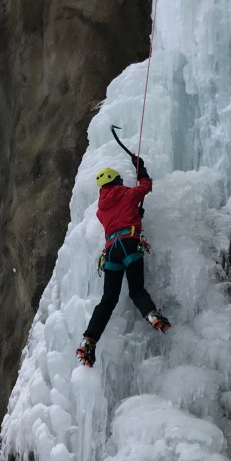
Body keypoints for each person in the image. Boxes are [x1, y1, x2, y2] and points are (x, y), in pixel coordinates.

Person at [76, 155, 171, 367]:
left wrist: (135, 213)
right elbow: (146, 186)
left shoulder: (100, 210)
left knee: (108, 300)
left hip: (111, 252)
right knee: (137, 291)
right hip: (129, 244)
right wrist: (140, 168)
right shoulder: (128, 194)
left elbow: (116, 218)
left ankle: (88, 340)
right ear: (117, 180)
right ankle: (152, 315)